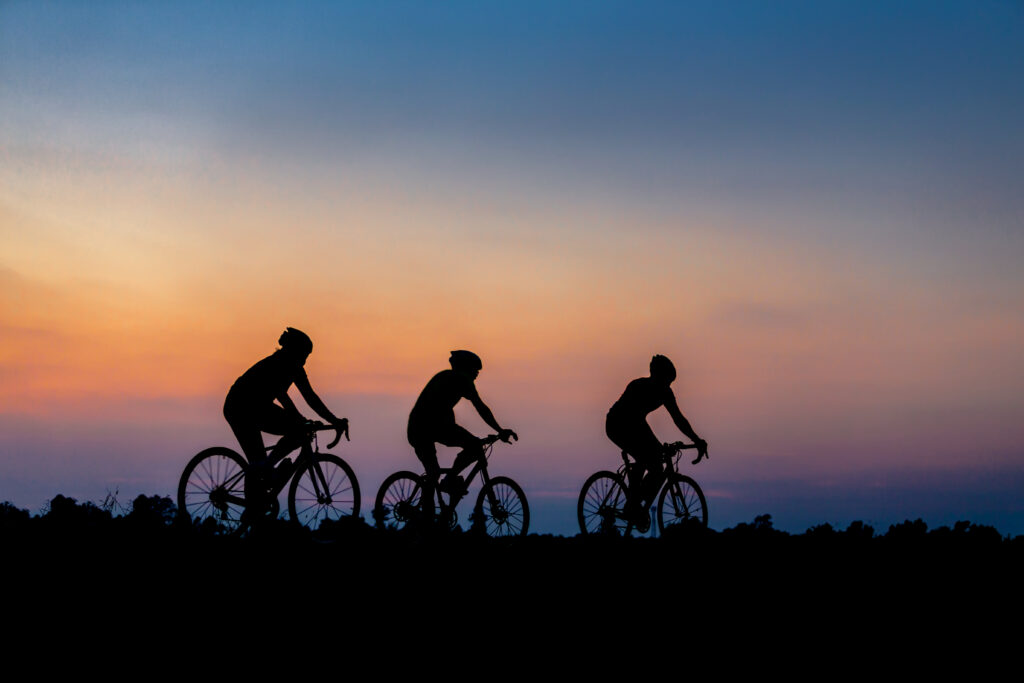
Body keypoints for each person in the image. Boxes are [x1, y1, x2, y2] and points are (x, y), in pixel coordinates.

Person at [223, 327, 349, 512]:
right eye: (305, 354)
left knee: (289, 437)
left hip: (256, 407)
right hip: (241, 407)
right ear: (294, 351)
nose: (306, 359)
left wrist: (334, 420)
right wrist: (300, 419)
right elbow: (283, 396)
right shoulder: (279, 363)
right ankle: (259, 491)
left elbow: (311, 397)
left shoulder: (296, 368)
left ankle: (265, 477)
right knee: (260, 461)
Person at [407, 350, 517, 524]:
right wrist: (500, 430)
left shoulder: (450, 377)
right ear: (466, 368)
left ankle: (442, 494)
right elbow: (481, 407)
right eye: (475, 370)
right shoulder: (460, 379)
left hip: (429, 427)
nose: (476, 375)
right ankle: (431, 513)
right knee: (443, 466)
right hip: (426, 427)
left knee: (439, 469)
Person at [606, 354, 707, 527]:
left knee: (656, 464)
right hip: (618, 423)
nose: (667, 386)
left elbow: (678, 418)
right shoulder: (638, 386)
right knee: (645, 458)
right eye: (665, 381)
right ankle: (633, 503)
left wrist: (696, 439)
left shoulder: (665, 392)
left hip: (637, 423)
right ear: (655, 375)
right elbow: (633, 423)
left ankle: (636, 501)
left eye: (670, 382)